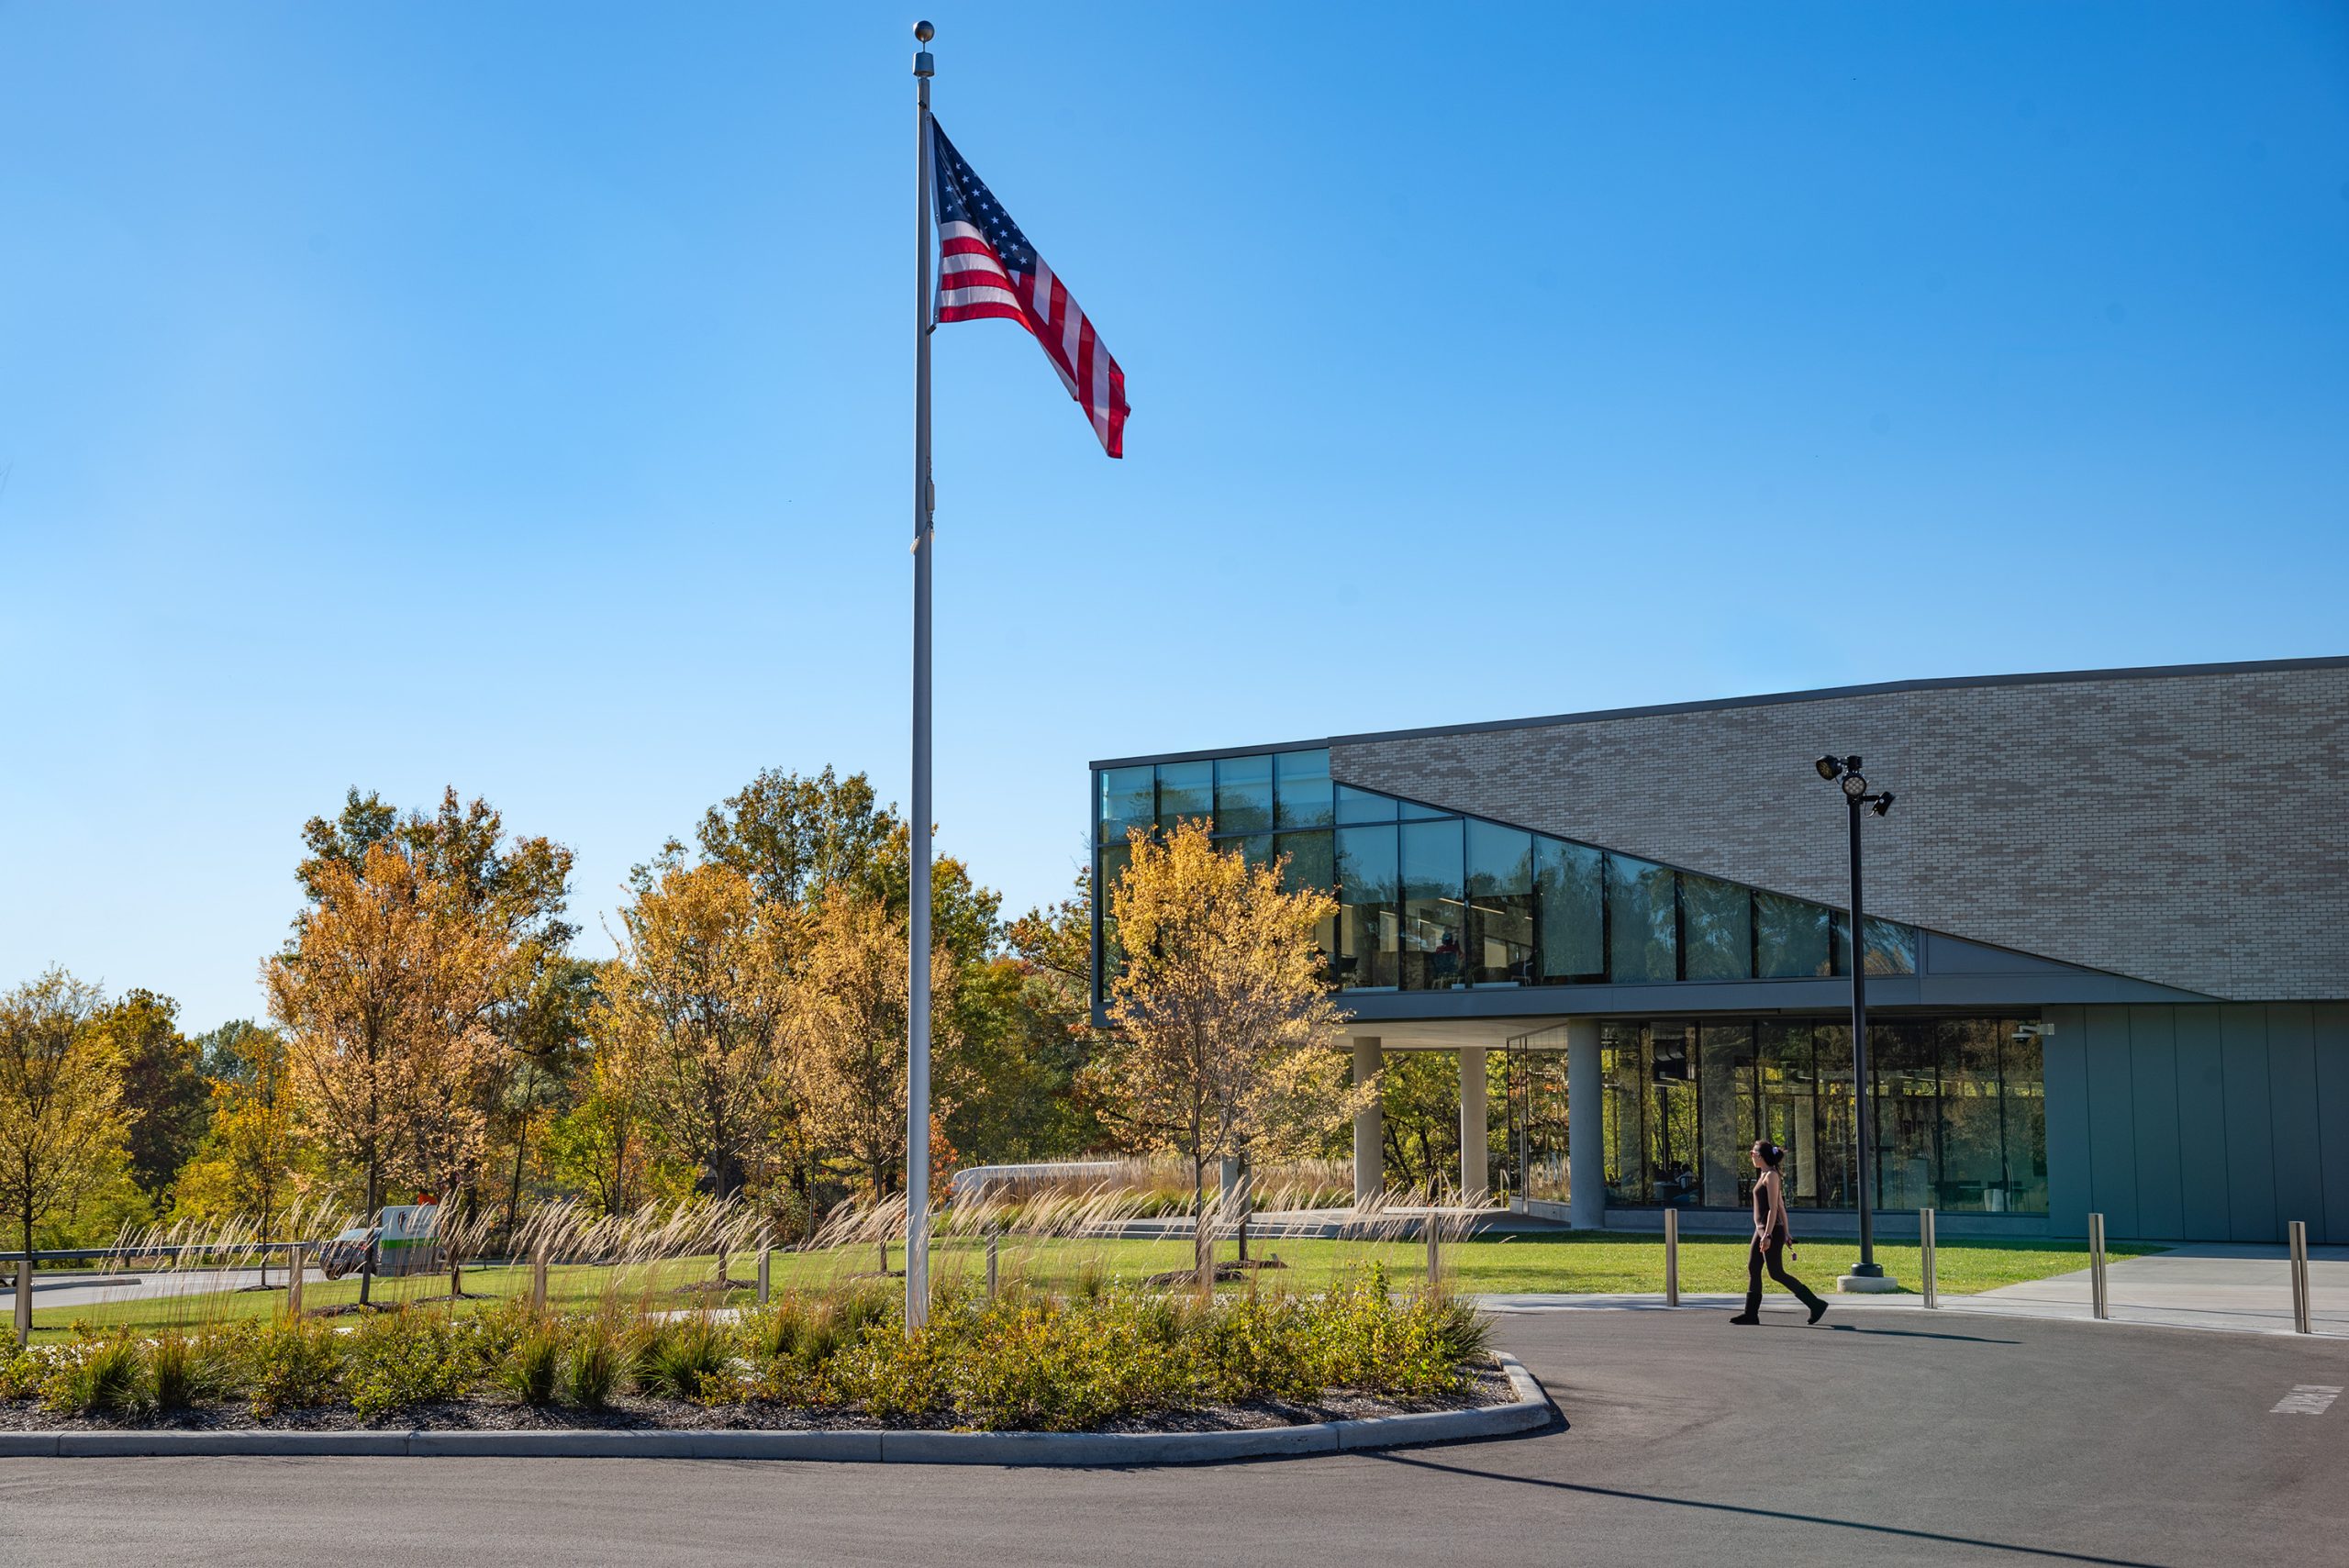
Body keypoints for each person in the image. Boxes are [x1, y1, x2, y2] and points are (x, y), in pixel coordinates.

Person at [1731, 1140, 1829, 1325]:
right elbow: (1781, 1205)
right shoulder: (1763, 1174)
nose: (1751, 1156)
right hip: (1762, 1229)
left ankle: (1815, 1304)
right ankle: (1750, 1314)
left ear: (1760, 1156)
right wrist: (1787, 1233)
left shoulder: (1771, 1176)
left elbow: (1774, 1208)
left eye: (1753, 1153)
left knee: (1776, 1272)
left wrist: (1770, 1235)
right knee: (1753, 1267)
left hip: (1770, 1230)